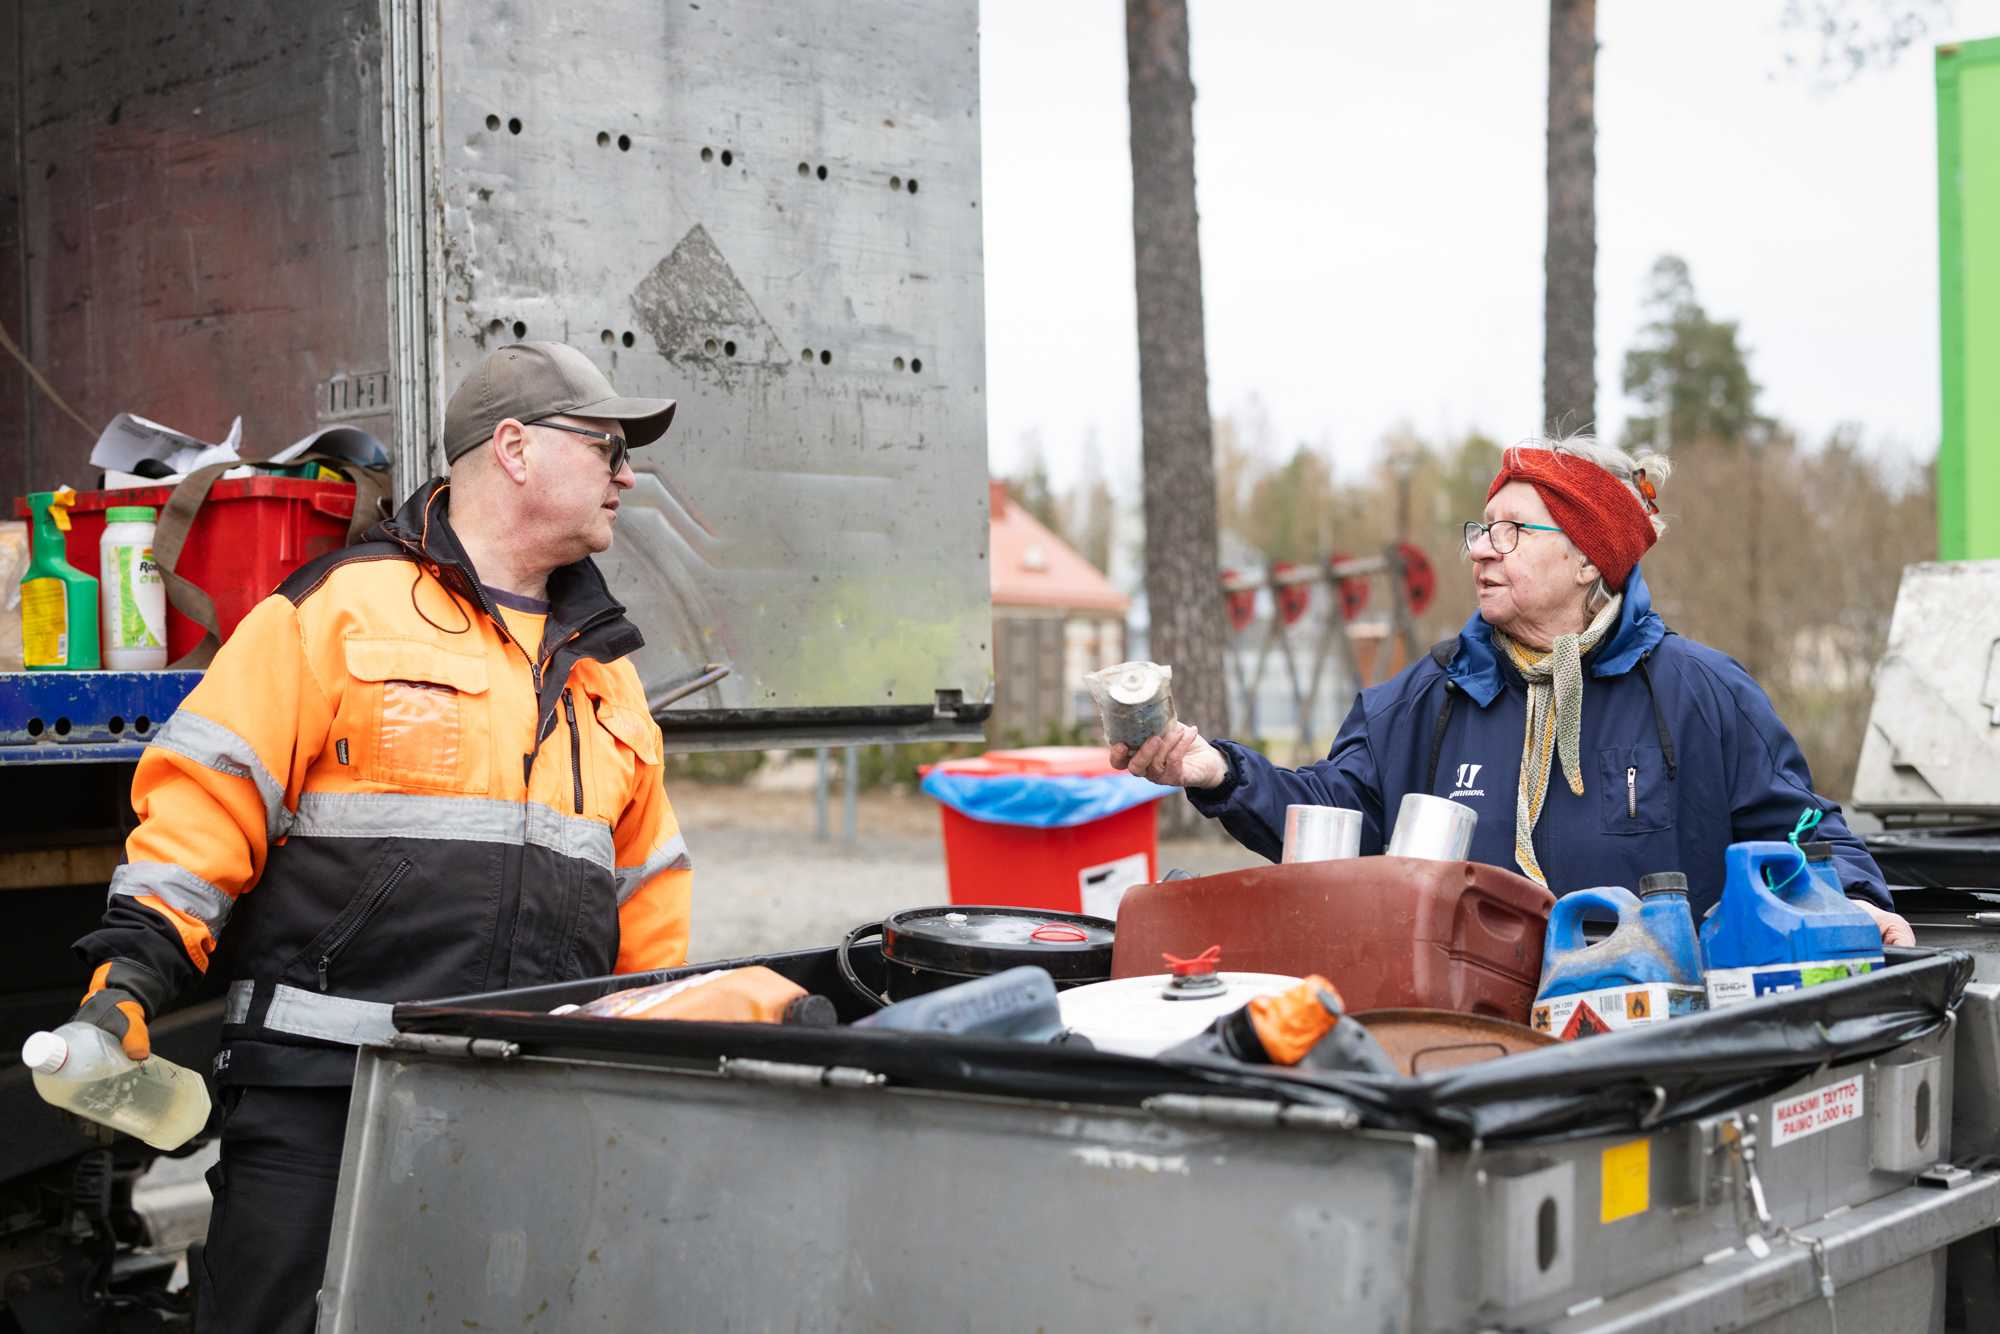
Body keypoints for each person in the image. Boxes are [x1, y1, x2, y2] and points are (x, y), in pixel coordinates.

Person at [66, 342, 694, 1333]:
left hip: (525, 1105)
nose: (626, 474)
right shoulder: (336, 611)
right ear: (515, 448)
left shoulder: (605, 676)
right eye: (607, 447)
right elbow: (207, 801)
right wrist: (129, 979)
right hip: (326, 1096)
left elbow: (648, 892)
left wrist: (660, 1067)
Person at [1116, 435, 1913, 944]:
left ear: (1587, 559)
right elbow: (1332, 817)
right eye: (1481, 529)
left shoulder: (1702, 695)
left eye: (1511, 532)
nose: (1481, 551)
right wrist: (1217, 772)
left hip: (1654, 1051)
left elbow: (1807, 835)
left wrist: (1853, 900)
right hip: (1466, 1041)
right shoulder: (1424, 702)